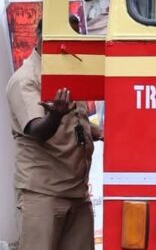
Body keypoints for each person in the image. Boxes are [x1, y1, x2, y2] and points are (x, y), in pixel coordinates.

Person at [6, 21, 100, 249]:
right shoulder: (25, 79)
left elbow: (77, 122)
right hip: (44, 194)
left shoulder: (66, 71)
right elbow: (38, 130)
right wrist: (55, 116)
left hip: (77, 191)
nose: (68, 43)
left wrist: (102, 132)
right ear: (40, 36)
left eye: (75, 36)